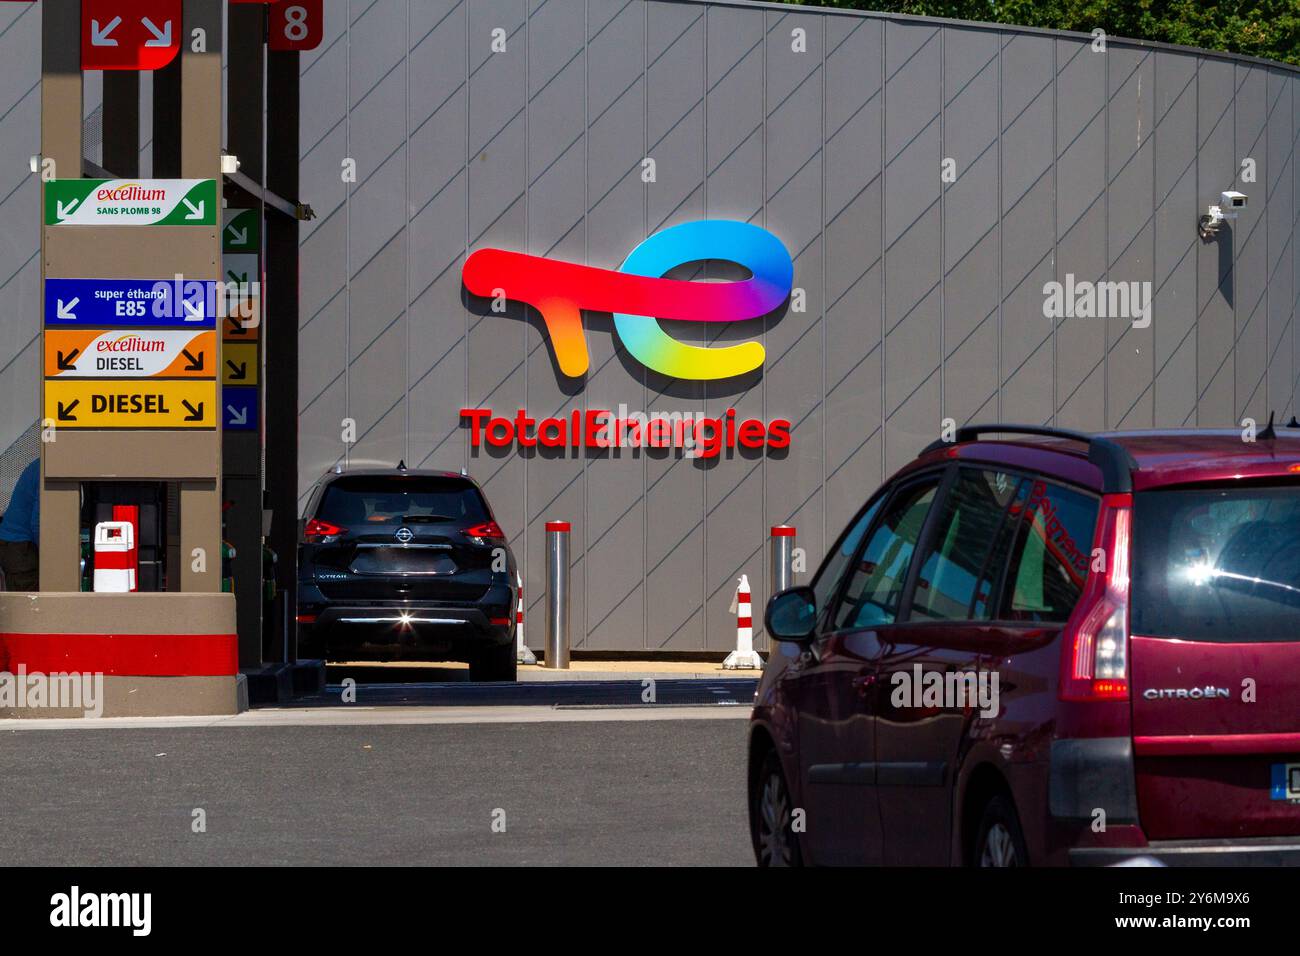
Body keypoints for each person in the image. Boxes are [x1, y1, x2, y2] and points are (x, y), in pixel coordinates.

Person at [0, 458, 39, 591]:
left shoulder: (41, 464)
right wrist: (51, 554)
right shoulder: (47, 468)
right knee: (27, 604)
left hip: (14, 543)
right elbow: (38, 522)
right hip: (20, 546)